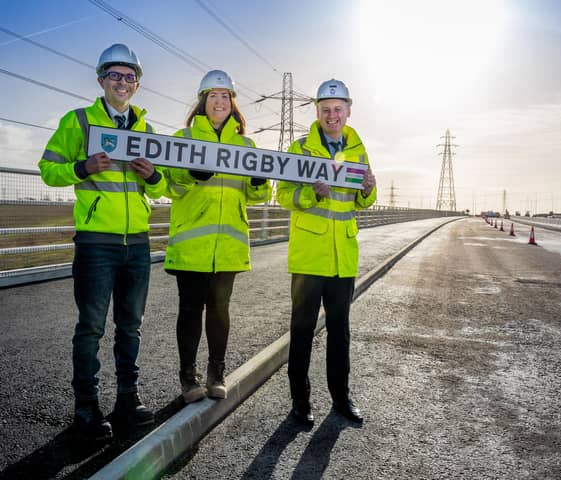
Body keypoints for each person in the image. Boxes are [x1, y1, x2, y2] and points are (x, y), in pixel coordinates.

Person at [39, 43, 166, 441]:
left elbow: (161, 185)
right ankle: (86, 409)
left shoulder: (146, 129)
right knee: (91, 327)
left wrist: (151, 176)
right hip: (97, 241)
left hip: (138, 243)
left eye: (130, 77)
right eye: (115, 75)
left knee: (131, 326)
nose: (122, 82)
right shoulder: (79, 121)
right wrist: (82, 167)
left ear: (138, 84)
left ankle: (128, 398)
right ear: (101, 79)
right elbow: (48, 169)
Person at [163, 70, 271, 404]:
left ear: (233, 103)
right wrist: (190, 174)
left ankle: (217, 373)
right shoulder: (184, 138)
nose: (220, 101)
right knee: (191, 310)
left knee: (220, 310)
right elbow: (170, 186)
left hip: (228, 245)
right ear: (202, 102)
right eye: (213, 96)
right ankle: (189, 378)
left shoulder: (247, 146)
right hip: (192, 244)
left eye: (225, 96)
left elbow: (259, 196)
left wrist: (256, 182)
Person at [276, 79, 377, 426]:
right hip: (309, 256)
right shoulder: (301, 148)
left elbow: (361, 202)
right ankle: (300, 401)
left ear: (348, 110)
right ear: (316, 113)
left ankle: (341, 397)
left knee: (340, 333)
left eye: (338, 109)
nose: (332, 115)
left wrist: (368, 190)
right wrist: (310, 196)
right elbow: (282, 195)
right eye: (326, 110)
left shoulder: (358, 150)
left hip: (343, 257)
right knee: (302, 332)